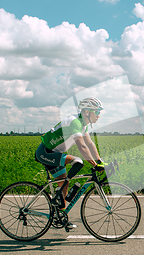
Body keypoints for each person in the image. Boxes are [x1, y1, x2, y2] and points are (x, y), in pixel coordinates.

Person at [35, 97, 106, 229]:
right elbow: (82, 146)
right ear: (86, 112)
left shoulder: (83, 125)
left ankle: (60, 216)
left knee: (64, 183)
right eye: (96, 112)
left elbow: (89, 144)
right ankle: (59, 200)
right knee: (77, 161)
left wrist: (100, 161)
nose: (99, 115)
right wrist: (95, 165)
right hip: (46, 153)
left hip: (55, 154)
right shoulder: (75, 122)